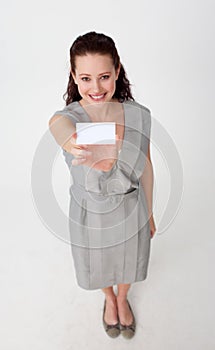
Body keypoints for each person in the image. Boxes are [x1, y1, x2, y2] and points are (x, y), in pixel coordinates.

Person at [49, 31, 156, 339]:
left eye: (104, 76)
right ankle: (108, 298)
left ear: (117, 71)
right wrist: (81, 142)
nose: (95, 88)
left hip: (131, 207)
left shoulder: (139, 116)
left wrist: (149, 212)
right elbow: (59, 128)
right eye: (85, 78)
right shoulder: (69, 117)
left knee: (130, 262)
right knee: (98, 264)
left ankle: (123, 299)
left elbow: (146, 167)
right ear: (74, 76)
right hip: (90, 212)